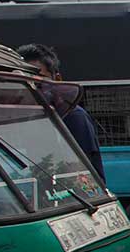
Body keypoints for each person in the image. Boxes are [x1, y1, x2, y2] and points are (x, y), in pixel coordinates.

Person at [16, 43, 105, 179]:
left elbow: (81, 171)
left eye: (39, 81)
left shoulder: (72, 116)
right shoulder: (25, 117)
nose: (32, 87)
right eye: (25, 80)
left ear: (56, 79)